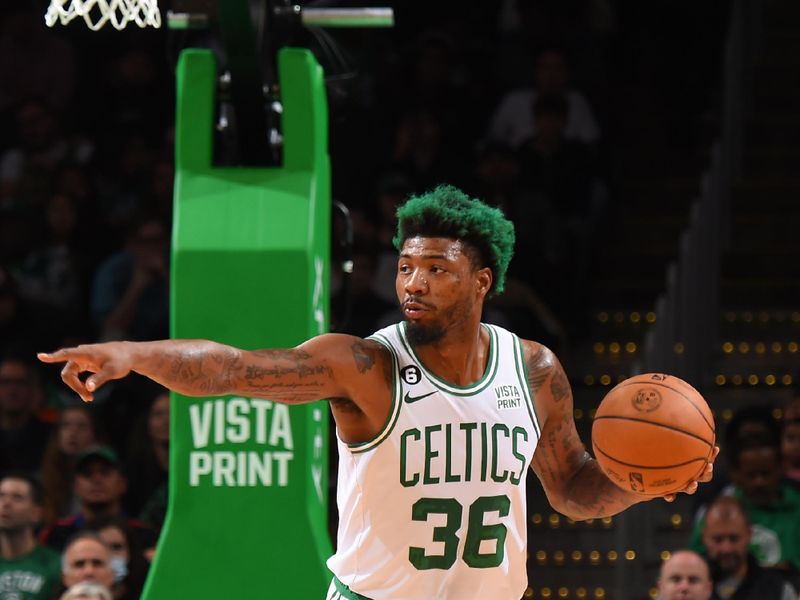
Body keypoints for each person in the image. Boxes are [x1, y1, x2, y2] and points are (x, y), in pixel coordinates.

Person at [38, 185, 716, 600]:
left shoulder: (532, 368)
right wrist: (130, 352)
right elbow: (230, 368)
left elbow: (569, 487)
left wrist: (644, 483)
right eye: (406, 266)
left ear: (482, 282)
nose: (413, 283)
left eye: (436, 269)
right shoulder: (364, 365)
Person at [38, 447, 158, 555]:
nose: (96, 480)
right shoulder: (55, 534)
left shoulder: (143, 534)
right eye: (87, 474)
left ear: (122, 484)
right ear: (75, 486)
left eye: (105, 472)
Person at [700, 496, 797, 600]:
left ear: (749, 534)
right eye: (718, 539)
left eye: (734, 539)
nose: (726, 549)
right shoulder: (685, 586)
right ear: (704, 536)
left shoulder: (778, 589)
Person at [0, 473, 62, 600]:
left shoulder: (55, 564)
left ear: (36, 513)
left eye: (17, 498)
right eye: (1, 496)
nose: (6, 503)